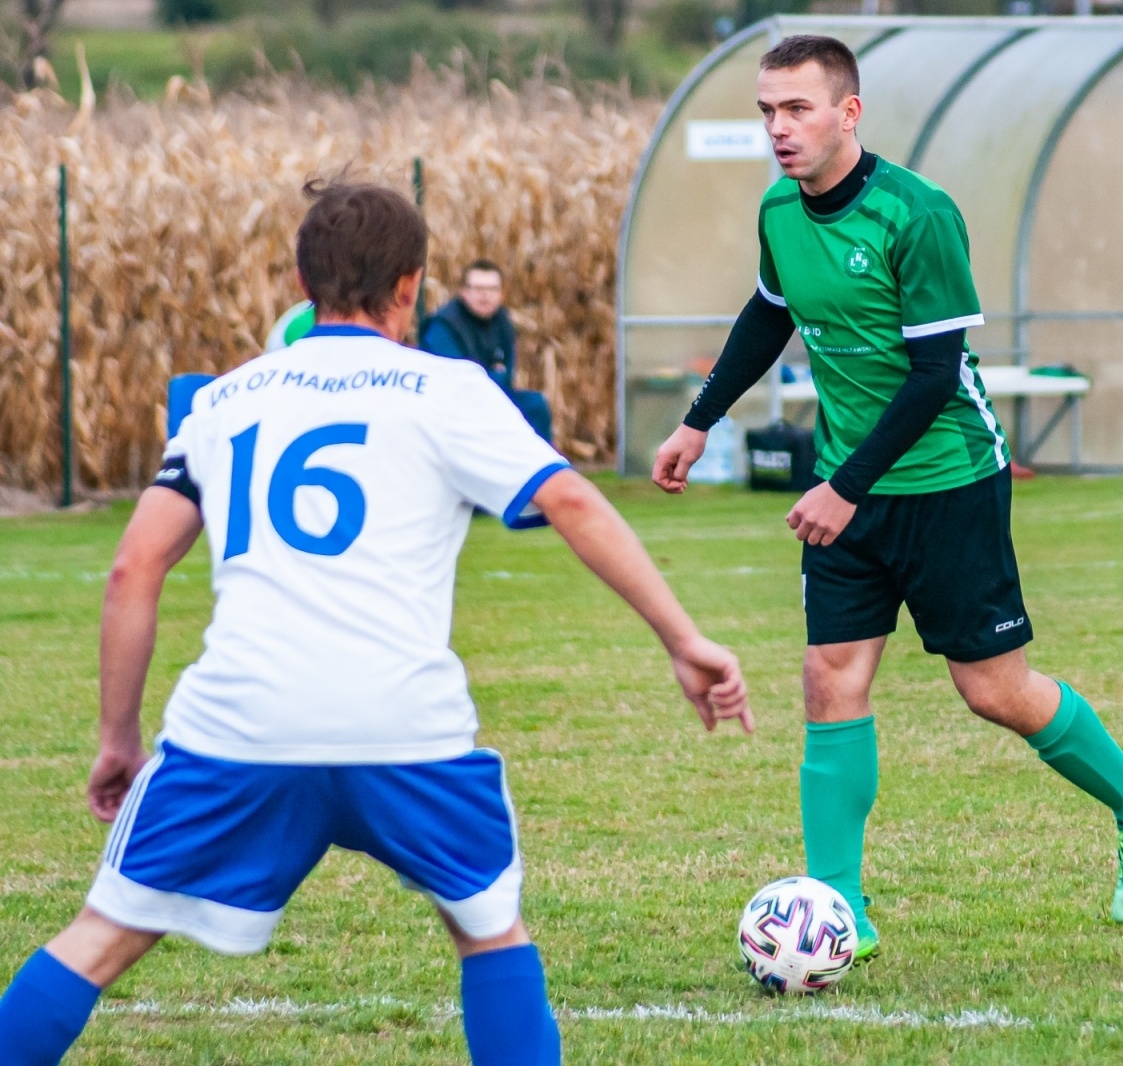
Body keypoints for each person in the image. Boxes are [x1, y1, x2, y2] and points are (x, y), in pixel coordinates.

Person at [0, 180, 753, 1066]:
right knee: (491, 934)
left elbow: (134, 569)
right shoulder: (447, 389)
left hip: (242, 724)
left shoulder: (223, 401)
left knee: (100, 936)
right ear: (411, 285)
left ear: (299, 278)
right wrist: (683, 639)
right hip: (405, 727)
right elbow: (572, 502)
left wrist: (118, 736)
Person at [652, 35, 1123, 961]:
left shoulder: (917, 214)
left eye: (798, 110)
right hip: (846, 490)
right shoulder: (781, 209)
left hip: (946, 481)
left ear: (847, 114)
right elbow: (769, 313)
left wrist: (842, 488)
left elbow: (936, 374)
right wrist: (700, 420)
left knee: (993, 690)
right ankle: (840, 906)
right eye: (767, 112)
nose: (779, 129)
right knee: (830, 681)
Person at [423, 260, 552, 441]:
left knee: (535, 405)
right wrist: (494, 374)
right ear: (463, 292)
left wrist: (492, 376)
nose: (485, 294)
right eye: (477, 288)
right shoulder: (443, 327)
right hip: (453, 408)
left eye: (492, 289)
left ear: (502, 293)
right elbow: (458, 382)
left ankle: (543, 467)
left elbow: (507, 374)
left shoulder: (502, 321)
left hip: (493, 398)